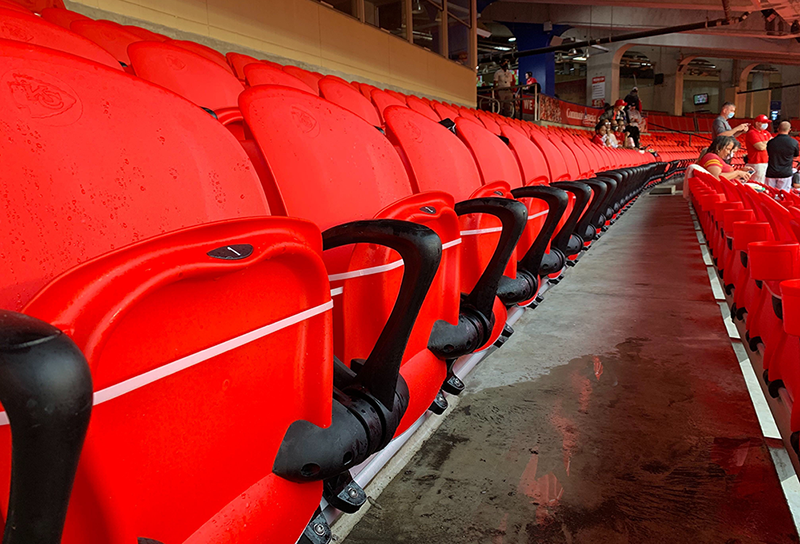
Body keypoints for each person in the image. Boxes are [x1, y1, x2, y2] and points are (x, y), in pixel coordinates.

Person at [765, 121, 799, 191]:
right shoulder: (794, 142)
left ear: (778, 129)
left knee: (770, 194)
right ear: (789, 130)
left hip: (771, 172)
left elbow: (768, 153)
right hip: (785, 173)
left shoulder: (771, 142)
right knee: (783, 196)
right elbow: (795, 156)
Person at [744, 114, 771, 183]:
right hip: (756, 162)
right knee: (757, 183)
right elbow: (760, 147)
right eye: (764, 122)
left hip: (766, 162)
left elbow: (773, 144)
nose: (766, 124)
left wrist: (764, 143)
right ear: (757, 123)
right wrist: (768, 142)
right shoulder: (752, 133)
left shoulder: (766, 133)